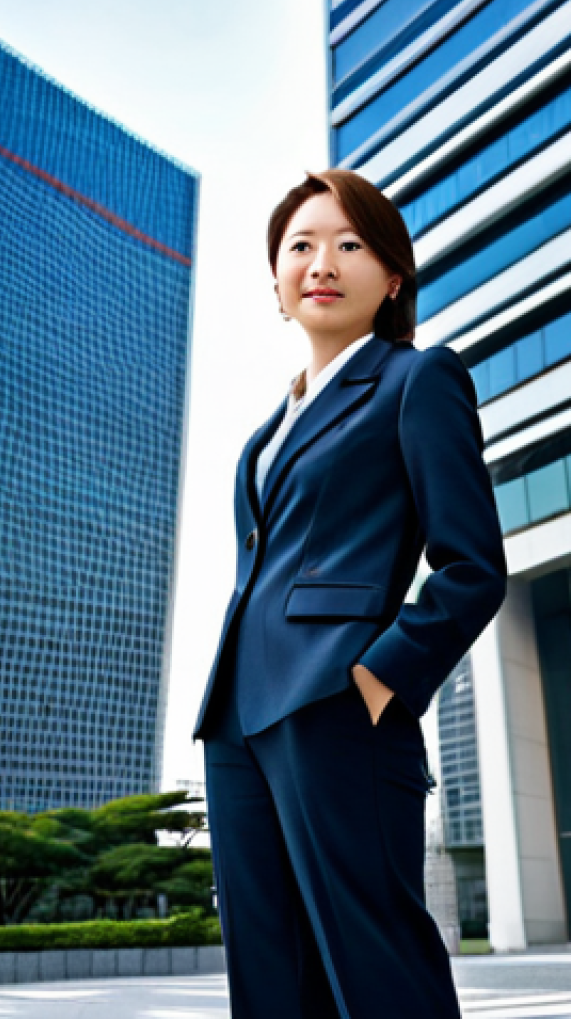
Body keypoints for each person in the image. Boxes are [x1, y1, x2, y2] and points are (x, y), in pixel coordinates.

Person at [191, 168, 507, 1018]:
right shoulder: (265, 432)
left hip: (337, 704)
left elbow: (473, 565)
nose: (321, 261)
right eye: (301, 246)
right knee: (269, 977)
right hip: (236, 722)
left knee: (374, 967)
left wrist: (375, 680)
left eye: (349, 243)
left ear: (391, 275)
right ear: (278, 285)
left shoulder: (417, 380)